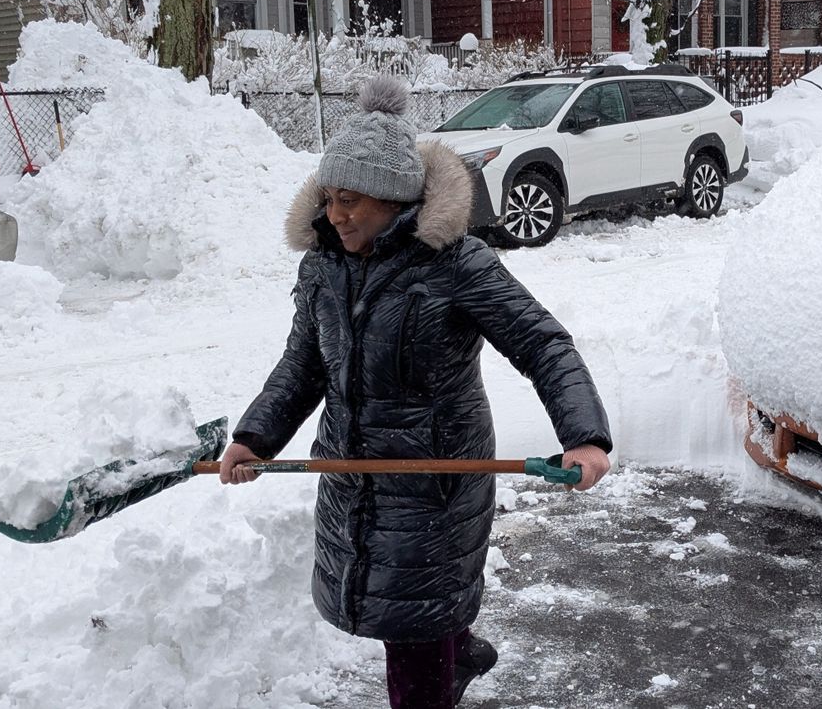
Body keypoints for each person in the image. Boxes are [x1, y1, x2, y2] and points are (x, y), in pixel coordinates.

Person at [219, 75, 613, 708]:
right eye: (330, 198)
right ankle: (458, 650)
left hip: (436, 480)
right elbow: (304, 364)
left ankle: (442, 663)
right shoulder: (323, 265)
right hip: (354, 472)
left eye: (352, 200)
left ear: (395, 198)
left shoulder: (455, 263)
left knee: (412, 635)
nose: (336, 214)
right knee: (398, 606)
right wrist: (254, 436)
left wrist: (584, 437)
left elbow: (544, 344)